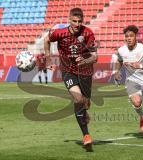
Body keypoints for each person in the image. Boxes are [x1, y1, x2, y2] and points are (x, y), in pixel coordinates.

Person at [44, 8, 97, 147]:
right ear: (69, 19)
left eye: (80, 21)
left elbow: (95, 57)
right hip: (68, 70)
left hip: (85, 71)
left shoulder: (88, 33)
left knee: (85, 103)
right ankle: (86, 135)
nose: (77, 24)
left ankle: (84, 110)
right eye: (74, 21)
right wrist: (48, 59)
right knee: (78, 99)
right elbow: (46, 39)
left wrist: (85, 60)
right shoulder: (59, 33)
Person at [114, 25, 143, 138]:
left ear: (136, 37)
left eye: (131, 36)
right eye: (126, 36)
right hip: (131, 81)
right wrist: (117, 71)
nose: (128, 38)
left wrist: (139, 65)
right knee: (136, 102)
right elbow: (119, 60)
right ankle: (142, 117)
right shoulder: (121, 50)